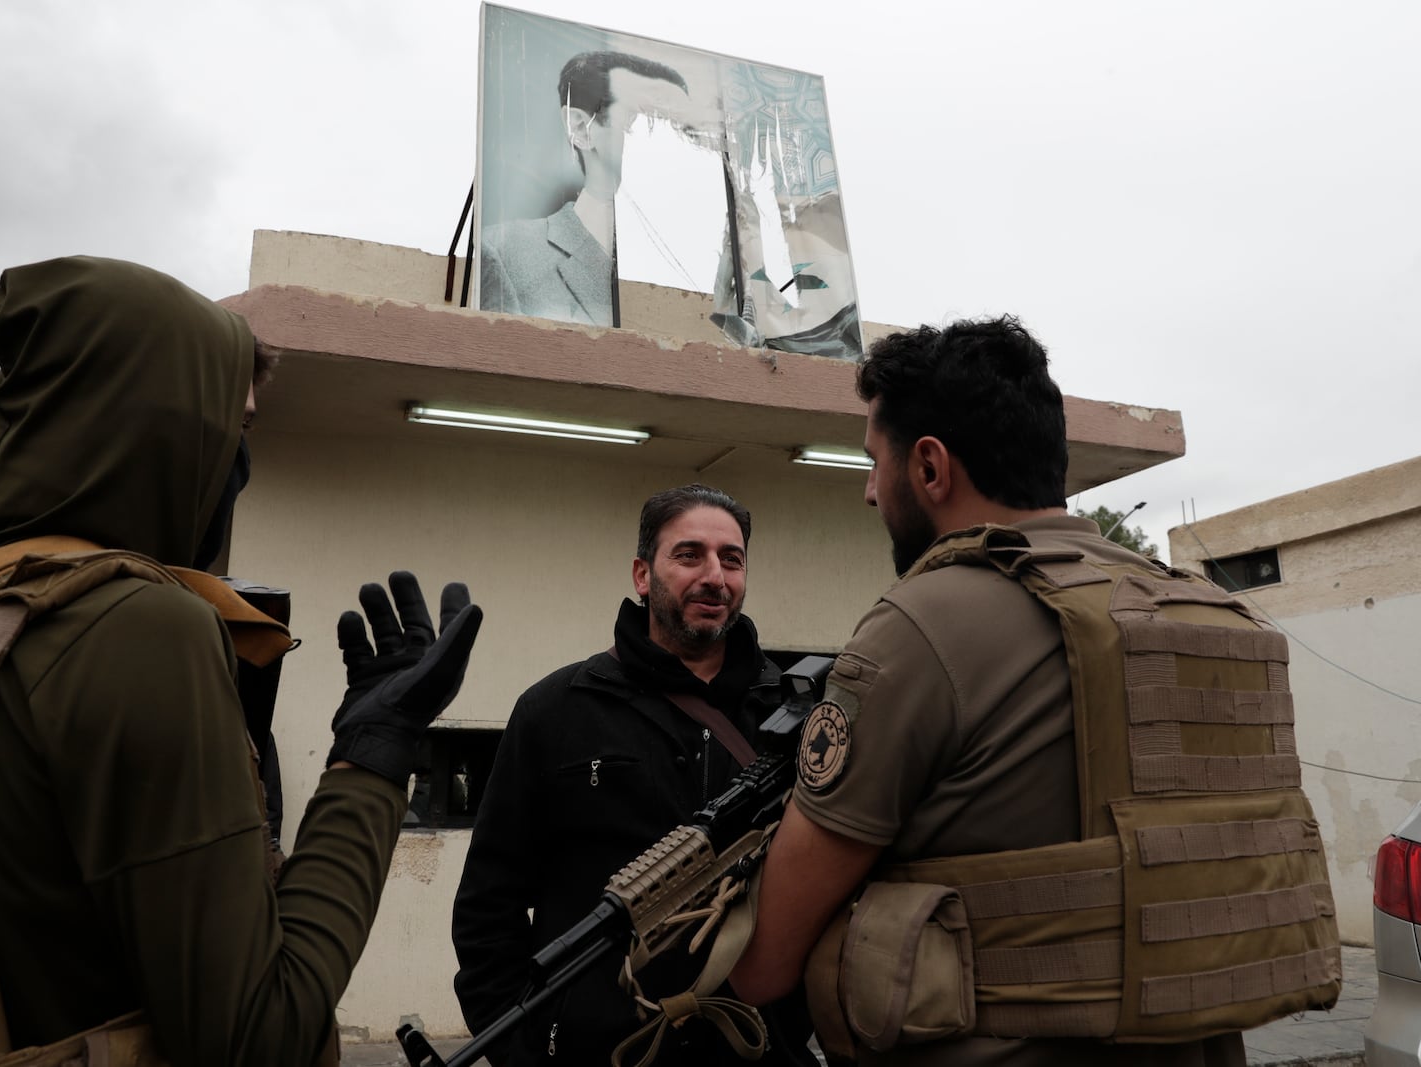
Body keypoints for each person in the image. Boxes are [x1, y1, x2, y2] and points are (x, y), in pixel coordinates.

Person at [0, 256, 482, 1066]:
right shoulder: (140, 628)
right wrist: (371, 764)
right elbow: (259, 1038)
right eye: (235, 427)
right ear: (165, 425)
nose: (239, 462)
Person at [729, 316, 1337, 1065]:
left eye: (871, 462)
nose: (867, 491)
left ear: (929, 467)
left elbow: (763, 962)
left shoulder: (919, 626)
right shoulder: (1212, 614)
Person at [451, 484, 812, 1066]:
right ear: (643, 575)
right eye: (689, 555)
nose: (715, 576)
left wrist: (800, 1028)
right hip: (599, 1052)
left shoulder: (796, 719)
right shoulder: (556, 710)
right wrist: (524, 1051)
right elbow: (487, 907)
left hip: (754, 1048)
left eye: (732, 559)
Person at [479, 51, 690, 328]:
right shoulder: (507, 251)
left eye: (688, 132)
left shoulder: (706, 286)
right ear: (581, 128)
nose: (678, 149)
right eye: (642, 122)